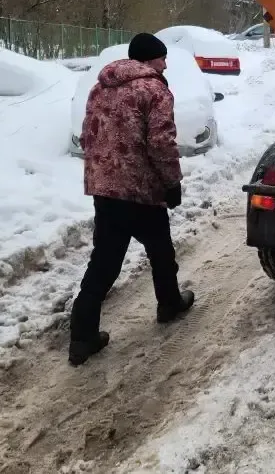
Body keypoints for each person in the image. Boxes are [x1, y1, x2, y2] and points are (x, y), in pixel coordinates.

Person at [68, 32, 194, 366]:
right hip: (140, 190)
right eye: (162, 58)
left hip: (105, 188)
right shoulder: (154, 90)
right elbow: (161, 141)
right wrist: (172, 182)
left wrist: (102, 173)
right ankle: (168, 303)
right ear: (149, 59)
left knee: (104, 261)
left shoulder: (100, 87)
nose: (165, 64)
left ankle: (82, 337)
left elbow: (88, 134)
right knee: (160, 249)